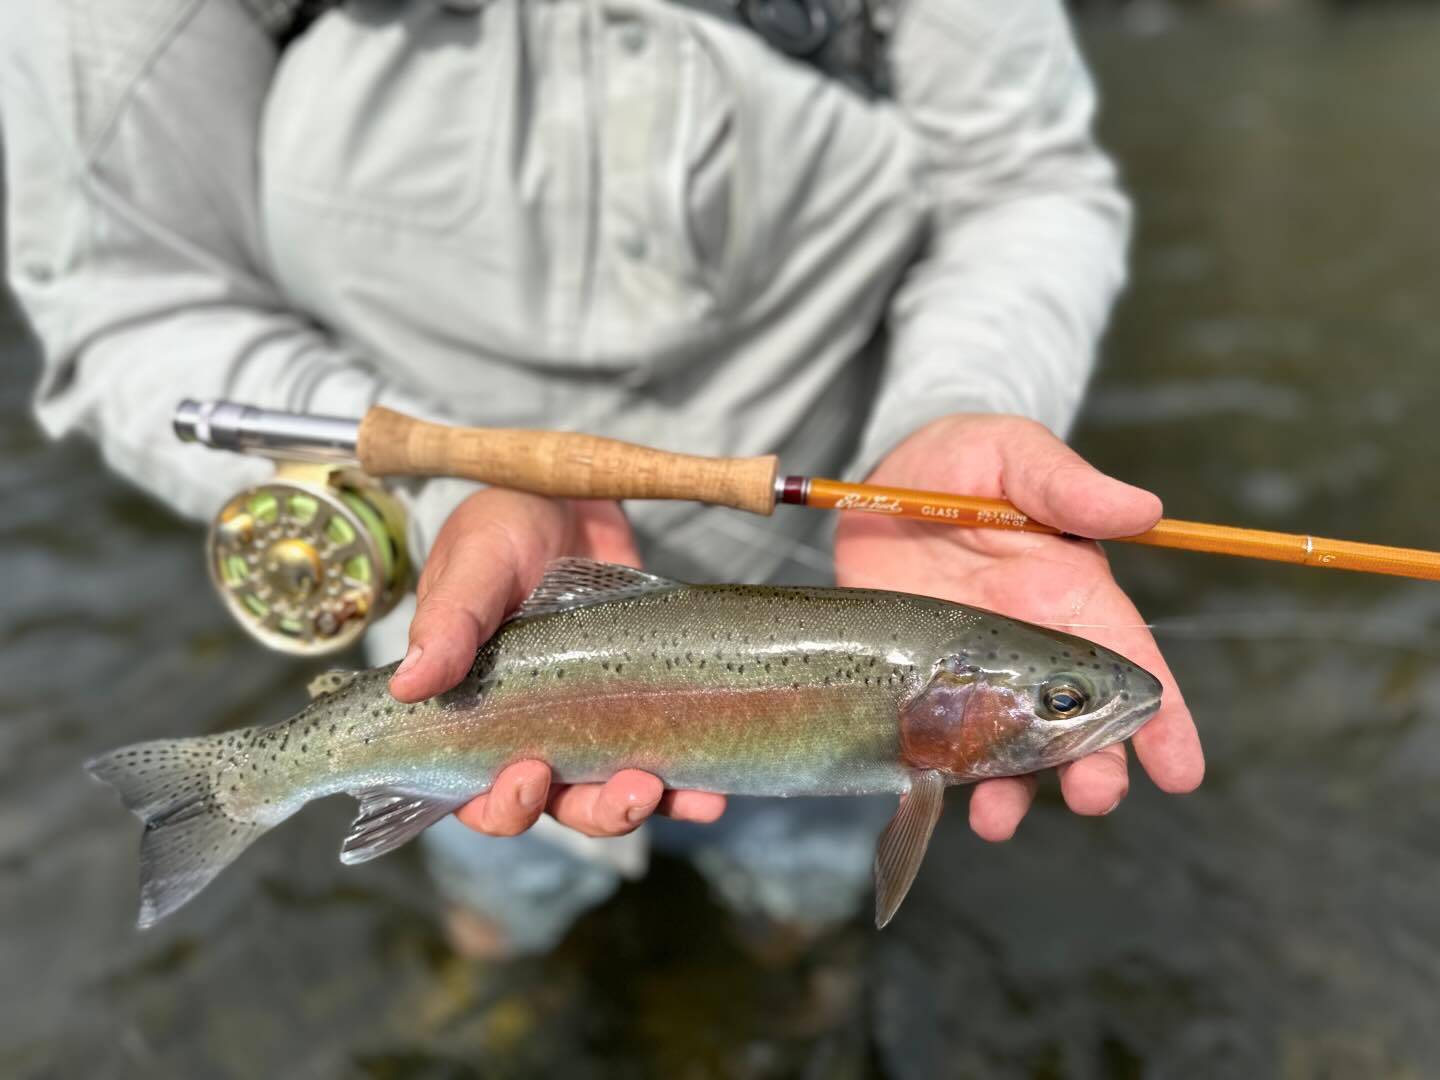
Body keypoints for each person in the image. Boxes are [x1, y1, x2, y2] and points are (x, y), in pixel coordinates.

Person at [1, 0, 1204, 954]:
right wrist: (433, 500)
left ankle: (763, 967)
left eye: (1054, 704)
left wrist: (961, 406)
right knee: (498, 876)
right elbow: (129, 298)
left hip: (853, 553)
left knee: (792, 896)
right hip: (453, 613)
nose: (1082, 710)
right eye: (1060, 702)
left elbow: (1027, 183)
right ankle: (497, 958)